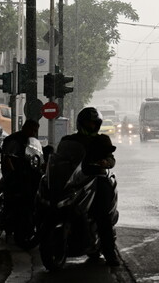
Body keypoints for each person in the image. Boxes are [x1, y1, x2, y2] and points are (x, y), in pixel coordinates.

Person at [60, 107, 120, 266]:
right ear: (81, 123)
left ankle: (110, 253)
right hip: (74, 180)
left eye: (94, 123)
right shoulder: (69, 140)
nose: (91, 126)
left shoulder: (102, 140)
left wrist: (104, 162)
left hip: (95, 178)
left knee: (102, 214)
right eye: (88, 123)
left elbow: (111, 160)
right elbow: (60, 156)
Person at [0, 119, 41, 237]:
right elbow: (7, 158)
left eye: (35, 131)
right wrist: (13, 172)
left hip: (28, 172)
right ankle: (6, 217)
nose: (33, 132)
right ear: (24, 128)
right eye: (31, 129)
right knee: (12, 193)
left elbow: (37, 155)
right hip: (14, 172)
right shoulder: (14, 140)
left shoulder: (33, 142)